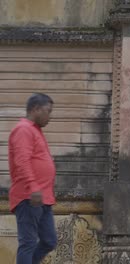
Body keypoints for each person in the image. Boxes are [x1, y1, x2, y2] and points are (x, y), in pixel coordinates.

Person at [8, 93, 57, 264]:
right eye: (48, 111)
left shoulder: (35, 130)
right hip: (29, 196)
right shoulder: (23, 129)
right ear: (36, 109)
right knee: (28, 243)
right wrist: (33, 186)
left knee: (49, 241)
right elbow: (22, 161)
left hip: (43, 197)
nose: (50, 117)